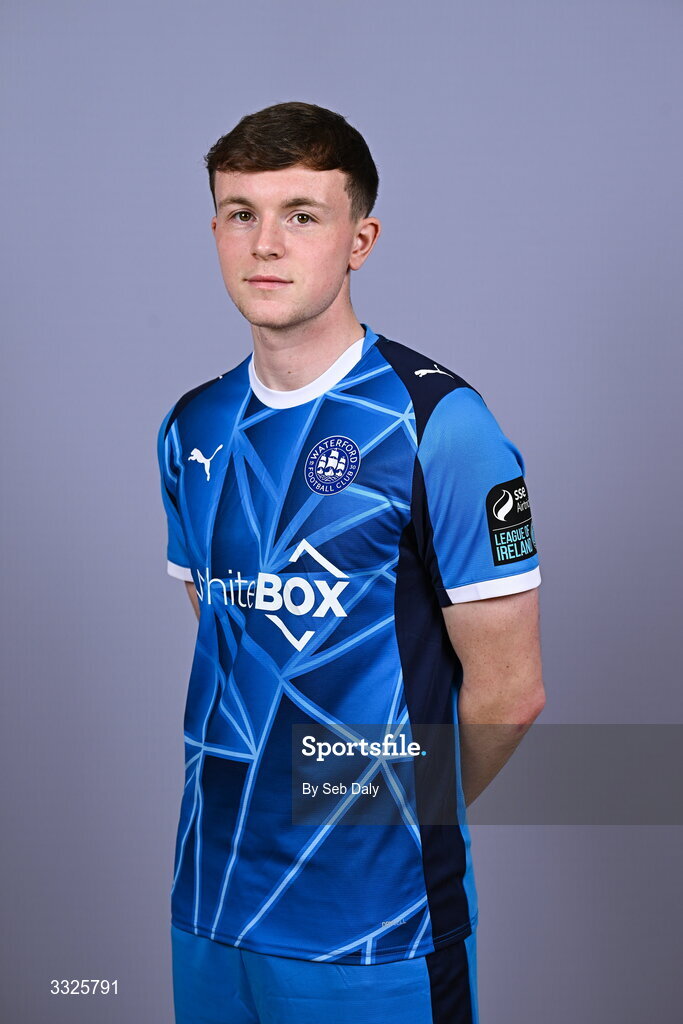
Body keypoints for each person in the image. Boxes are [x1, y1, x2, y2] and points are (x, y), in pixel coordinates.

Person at [157, 100, 545, 1024]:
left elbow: (510, 692)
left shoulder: (441, 428)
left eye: (301, 214)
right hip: (208, 903)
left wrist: (376, 814)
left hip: (372, 930)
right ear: (214, 230)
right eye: (240, 213)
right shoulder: (192, 428)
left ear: (358, 238)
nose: (265, 243)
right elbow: (232, 647)